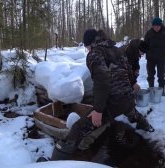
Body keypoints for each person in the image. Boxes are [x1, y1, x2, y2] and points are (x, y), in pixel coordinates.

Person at [49, 29, 154, 161]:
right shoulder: (117, 50)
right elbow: (128, 70)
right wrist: (133, 83)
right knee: (132, 112)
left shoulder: (94, 54)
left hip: (113, 103)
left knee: (77, 128)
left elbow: (102, 82)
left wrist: (98, 110)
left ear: (90, 44)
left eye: (87, 47)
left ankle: (55, 162)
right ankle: (147, 126)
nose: (87, 50)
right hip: (128, 98)